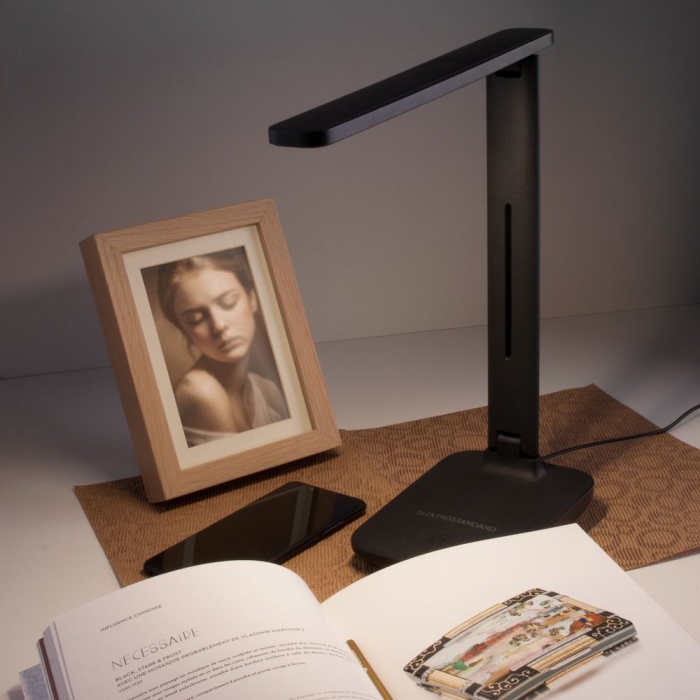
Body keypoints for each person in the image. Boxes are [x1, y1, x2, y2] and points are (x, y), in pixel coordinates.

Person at [157, 249, 289, 446]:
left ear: (251, 298)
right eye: (195, 319)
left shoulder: (267, 390)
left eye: (228, 302)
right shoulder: (199, 391)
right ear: (184, 330)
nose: (218, 326)